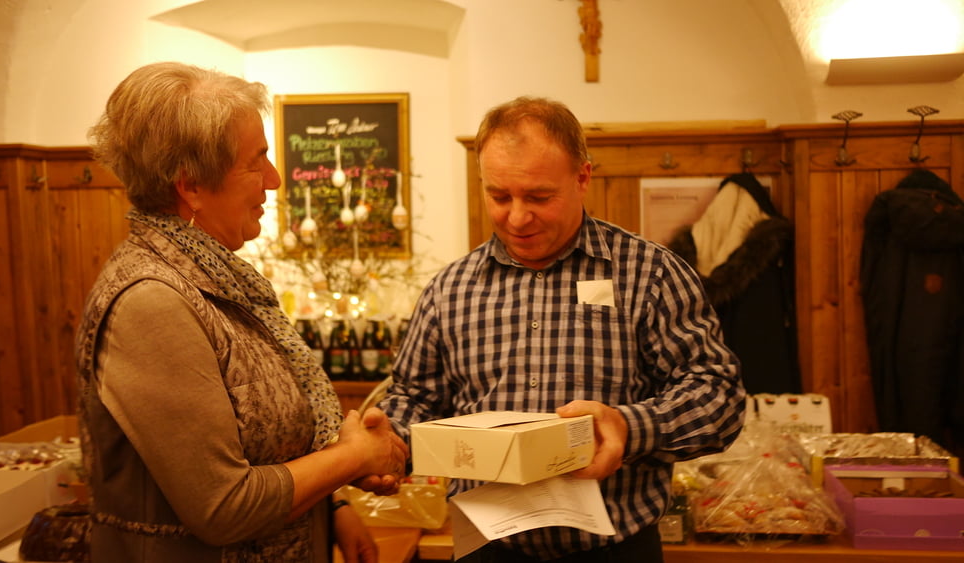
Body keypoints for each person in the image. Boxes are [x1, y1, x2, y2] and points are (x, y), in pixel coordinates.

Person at [378, 96, 746, 562]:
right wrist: (386, 443)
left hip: (614, 552)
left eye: (539, 197)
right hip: (487, 550)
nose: (517, 217)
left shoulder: (650, 273)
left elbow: (719, 397)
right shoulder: (449, 288)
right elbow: (415, 398)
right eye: (499, 196)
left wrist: (628, 427)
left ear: (582, 177)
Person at [76, 61, 408, 563]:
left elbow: (270, 446)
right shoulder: (151, 302)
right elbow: (224, 507)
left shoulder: (218, 278)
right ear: (191, 186)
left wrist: (334, 502)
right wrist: (353, 456)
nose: (274, 180)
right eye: (257, 162)